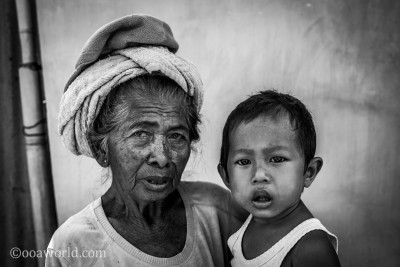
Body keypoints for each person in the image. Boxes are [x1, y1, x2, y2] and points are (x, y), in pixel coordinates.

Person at [46, 14, 244, 266]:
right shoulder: (72, 246)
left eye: (176, 136)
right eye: (140, 134)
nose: (162, 157)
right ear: (101, 149)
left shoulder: (219, 211)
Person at [217, 90, 341, 266]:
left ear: (309, 172)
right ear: (226, 177)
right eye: (244, 161)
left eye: (277, 159)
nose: (259, 175)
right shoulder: (247, 222)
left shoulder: (311, 248)